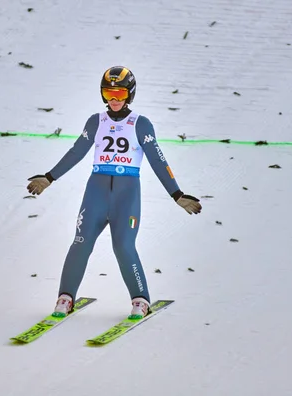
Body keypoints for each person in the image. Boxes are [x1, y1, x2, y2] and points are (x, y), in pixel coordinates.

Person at [26, 66, 202, 320]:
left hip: (126, 193)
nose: (115, 100)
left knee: (123, 245)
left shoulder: (141, 124)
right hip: (96, 191)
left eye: (119, 93)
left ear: (129, 94)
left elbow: (157, 159)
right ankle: (65, 297)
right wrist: (49, 177)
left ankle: (140, 299)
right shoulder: (95, 121)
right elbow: (77, 151)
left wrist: (177, 194)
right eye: (109, 94)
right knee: (81, 241)